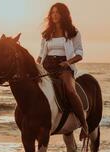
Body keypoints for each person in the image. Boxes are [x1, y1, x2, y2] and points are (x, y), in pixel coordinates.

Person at [36, 2, 88, 139]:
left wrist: (68, 62)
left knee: (70, 90)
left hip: (63, 66)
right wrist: (36, 65)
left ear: (63, 14)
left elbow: (80, 54)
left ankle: (84, 124)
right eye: (52, 13)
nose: (54, 15)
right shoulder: (47, 34)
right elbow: (41, 54)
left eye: (57, 12)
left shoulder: (73, 32)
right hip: (47, 66)